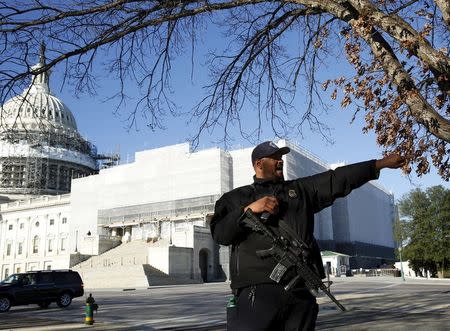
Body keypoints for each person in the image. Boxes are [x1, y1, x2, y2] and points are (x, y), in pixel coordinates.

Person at [210, 141, 405, 331]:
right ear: (259, 164)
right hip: (257, 294)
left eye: (281, 158)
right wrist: (248, 210)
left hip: (300, 292)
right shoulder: (235, 199)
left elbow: (337, 179)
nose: (280, 161)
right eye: (274, 158)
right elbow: (220, 234)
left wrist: (379, 164)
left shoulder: (299, 191)